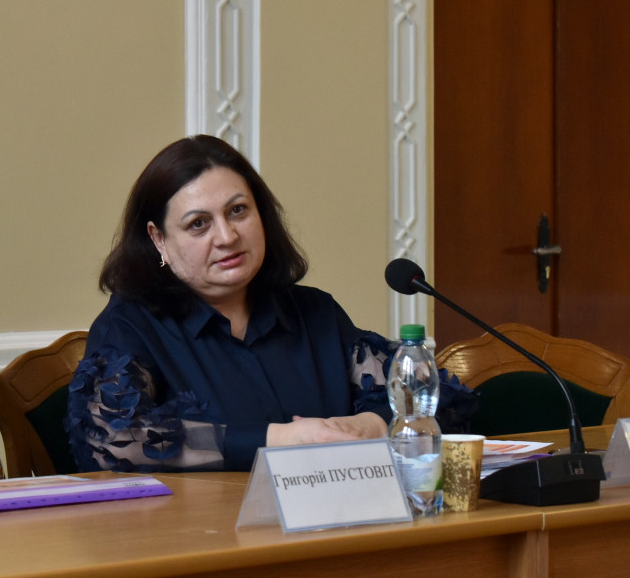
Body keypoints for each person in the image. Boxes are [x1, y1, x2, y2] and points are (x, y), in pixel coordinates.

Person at [66, 135, 394, 473]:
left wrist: (371, 423)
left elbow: (415, 394)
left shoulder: (316, 311)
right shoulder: (129, 325)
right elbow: (115, 439)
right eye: (198, 224)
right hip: (205, 511)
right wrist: (280, 439)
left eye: (237, 211)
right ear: (159, 239)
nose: (227, 237)